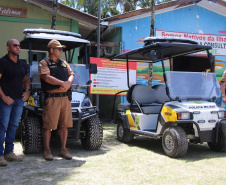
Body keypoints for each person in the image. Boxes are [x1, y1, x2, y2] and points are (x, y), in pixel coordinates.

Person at [38, 39, 74, 161]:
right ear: (52, 50)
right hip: (52, 99)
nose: (61, 51)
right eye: (59, 49)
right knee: (48, 126)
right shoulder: (44, 62)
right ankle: (47, 150)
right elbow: (46, 77)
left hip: (65, 98)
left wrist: (68, 83)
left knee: (64, 125)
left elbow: (71, 74)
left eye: (62, 49)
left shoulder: (64, 63)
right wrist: (62, 83)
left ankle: (63, 149)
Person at [0, 39, 30, 167]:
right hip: (5, 100)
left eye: (19, 45)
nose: (18, 47)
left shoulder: (22, 64)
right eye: (15, 45)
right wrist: (4, 97)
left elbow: (26, 79)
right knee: (2, 127)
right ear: (8, 48)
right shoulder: (2, 62)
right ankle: (0, 155)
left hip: (18, 100)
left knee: (13, 127)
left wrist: (27, 91)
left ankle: (9, 153)